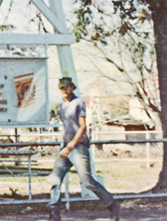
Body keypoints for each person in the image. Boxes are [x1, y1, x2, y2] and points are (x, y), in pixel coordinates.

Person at [47, 76, 120, 221]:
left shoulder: (78, 102)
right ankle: (54, 213)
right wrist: (64, 145)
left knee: (87, 181)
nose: (64, 90)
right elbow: (66, 127)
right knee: (55, 178)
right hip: (65, 146)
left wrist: (70, 145)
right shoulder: (60, 105)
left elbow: (82, 127)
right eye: (61, 87)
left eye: (67, 87)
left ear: (72, 87)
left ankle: (112, 205)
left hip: (78, 147)